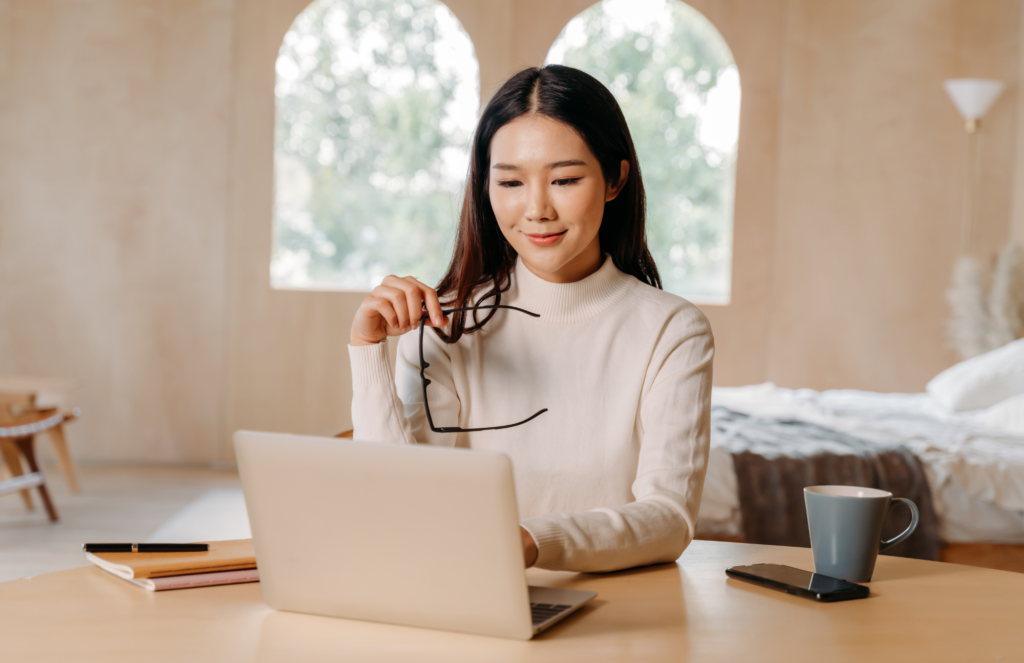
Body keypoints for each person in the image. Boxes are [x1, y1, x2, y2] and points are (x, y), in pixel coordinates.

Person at [348, 65, 713, 573]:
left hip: (613, 617)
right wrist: (368, 354)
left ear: (614, 180)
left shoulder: (672, 331)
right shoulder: (444, 323)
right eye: (511, 182)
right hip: (468, 600)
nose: (536, 208)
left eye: (564, 179)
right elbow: (394, 502)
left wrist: (532, 540)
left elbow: (669, 518)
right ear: (485, 187)